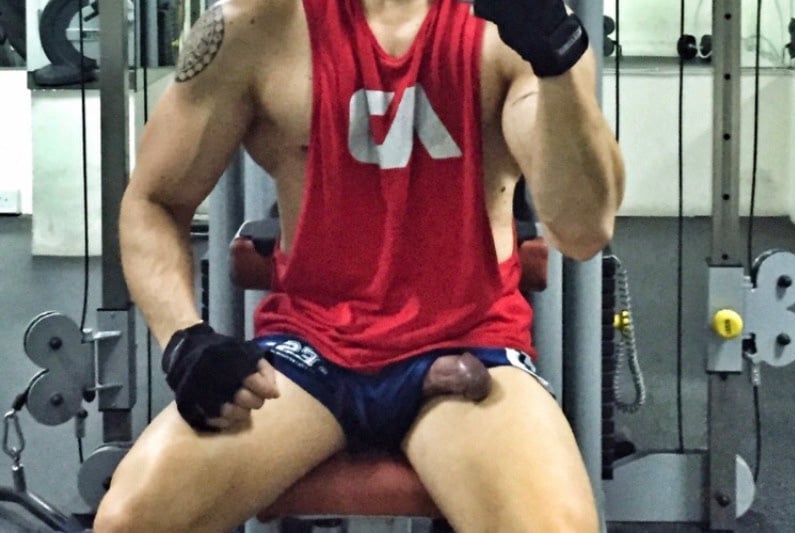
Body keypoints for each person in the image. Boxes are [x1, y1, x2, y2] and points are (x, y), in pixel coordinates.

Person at [94, 0, 624, 530]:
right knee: (130, 521)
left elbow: (582, 232)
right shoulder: (255, 25)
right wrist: (184, 339)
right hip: (310, 352)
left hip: (469, 344)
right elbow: (154, 201)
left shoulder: (518, 27)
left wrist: (554, 59)